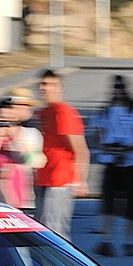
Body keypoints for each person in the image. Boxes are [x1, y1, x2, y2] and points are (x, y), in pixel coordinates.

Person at [91, 75, 133, 256]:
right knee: (108, 204)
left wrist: (128, 148)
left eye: (121, 88)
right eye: (115, 88)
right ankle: (106, 240)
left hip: (132, 162)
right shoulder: (104, 111)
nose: (118, 91)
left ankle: (130, 242)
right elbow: (97, 135)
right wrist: (106, 147)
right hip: (110, 162)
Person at [35, 69, 89, 240]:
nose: (46, 88)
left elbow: (80, 149)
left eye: (52, 85)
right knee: (41, 229)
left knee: (55, 231)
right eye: (43, 84)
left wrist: (81, 180)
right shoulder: (44, 112)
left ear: (60, 88)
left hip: (60, 178)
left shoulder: (63, 112)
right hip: (43, 176)